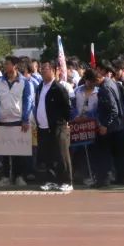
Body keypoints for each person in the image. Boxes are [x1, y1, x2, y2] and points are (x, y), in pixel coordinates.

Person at [0, 57, 34, 188]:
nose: (5, 66)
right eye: (5, 63)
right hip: (2, 121)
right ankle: (5, 177)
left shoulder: (24, 82)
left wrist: (25, 119)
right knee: (4, 151)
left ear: (15, 66)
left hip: (18, 121)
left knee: (18, 151)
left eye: (8, 64)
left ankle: (19, 176)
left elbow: (28, 101)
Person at [36, 60, 73, 192]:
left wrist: (64, 122)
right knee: (48, 155)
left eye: (45, 69)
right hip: (43, 127)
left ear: (53, 70)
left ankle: (67, 181)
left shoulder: (58, 88)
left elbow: (67, 108)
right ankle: (51, 180)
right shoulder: (40, 87)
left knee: (62, 155)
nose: (42, 71)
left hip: (58, 127)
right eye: (41, 69)